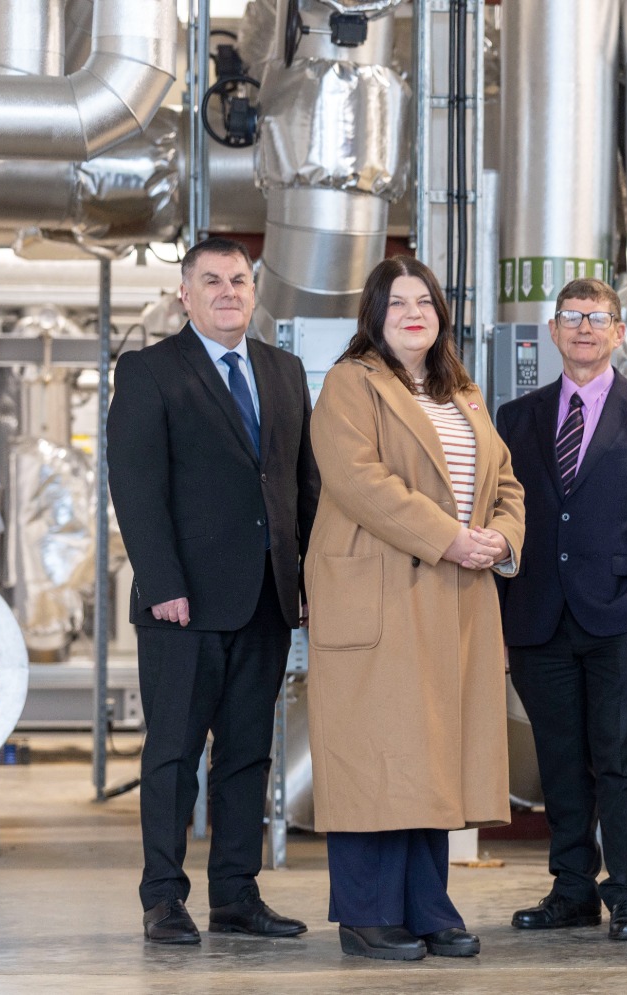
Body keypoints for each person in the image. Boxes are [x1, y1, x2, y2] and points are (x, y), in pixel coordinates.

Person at [305, 256, 526, 962]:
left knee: (435, 756)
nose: (412, 312)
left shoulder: (462, 393)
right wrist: (451, 537)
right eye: (397, 301)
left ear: (440, 314)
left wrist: (501, 538)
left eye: (424, 301)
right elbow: (358, 479)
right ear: (374, 313)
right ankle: (367, 913)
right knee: (377, 755)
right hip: (383, 590)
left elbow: (508, 482)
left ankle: (429, 905)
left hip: (454, 595)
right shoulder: (351, 383)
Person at [107, 236, 320, 945]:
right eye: (212, 281)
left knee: (247, 754)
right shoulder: (148, 371)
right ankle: (163, 897)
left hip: (265, 597)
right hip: (184, 604)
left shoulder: (284, 371)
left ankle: (237, 894)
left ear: (254, 290)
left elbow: (303, 486)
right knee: (172, 753)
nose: (228, 290)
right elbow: (136, 488)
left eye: (239, 279)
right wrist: (162, 581)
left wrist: (308, 577)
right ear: (185, 294)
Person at [497, 278, 627, 941]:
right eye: (571, 317)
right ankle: (572, 888)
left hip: (624, 616)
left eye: (597, 318)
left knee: (623, 761)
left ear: (618, 332)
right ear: (553, 331)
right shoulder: (515, 417)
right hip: (537, 617)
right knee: (559, 760)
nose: (584, 327)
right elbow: (505, 514)